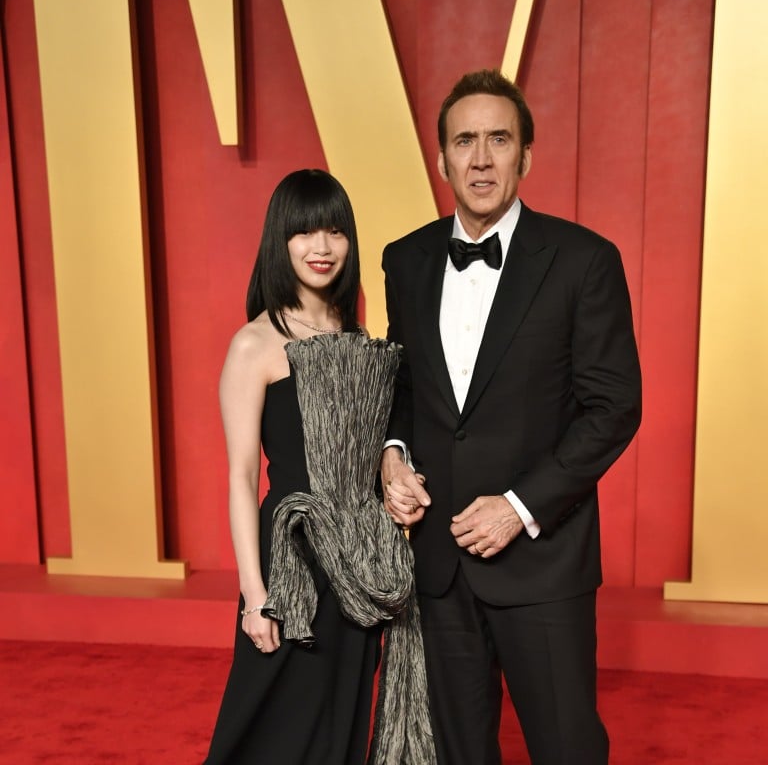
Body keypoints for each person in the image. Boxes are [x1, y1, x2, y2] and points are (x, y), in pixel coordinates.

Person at [380, 69, 642, 765]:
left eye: (499, 140)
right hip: (438, 565)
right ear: (441, 159)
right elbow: (404, 387)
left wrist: (519, 507)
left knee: (566, 748)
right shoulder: (405, 260)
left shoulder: (585, 261)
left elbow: (614, 407)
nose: (480, 159)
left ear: (525, 155)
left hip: (542, 563)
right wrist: (393, 453)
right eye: (464, 141)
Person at [205, 169, 434, 765]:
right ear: (280, 241)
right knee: (271, 724)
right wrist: (254, 595)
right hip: (293, 561)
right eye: (305, 232)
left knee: (341, 720)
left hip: (358, 557)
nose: (322, 246)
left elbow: (372, 446)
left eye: (335, 231)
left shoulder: (357, 333)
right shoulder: (254, 344)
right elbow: (241, 477)